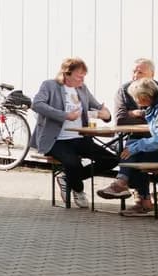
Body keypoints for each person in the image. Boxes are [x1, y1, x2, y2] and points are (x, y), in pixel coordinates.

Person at [29, 57, 116, 207]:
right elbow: (37, 105)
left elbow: (98, 107)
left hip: (79, 137)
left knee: (111, 159)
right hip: (56, 140)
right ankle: (78, 189)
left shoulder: (82, 88)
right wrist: (64, 115)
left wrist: (106, 115)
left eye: (84, 76)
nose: (82, 79)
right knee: (73, 163)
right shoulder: (50, 85)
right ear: (66, 74)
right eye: (79, 76)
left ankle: (68, 178)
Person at [97, 79, 158, 214]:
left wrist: (136, 146)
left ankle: (127, 188)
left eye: (136, 98)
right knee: (133, 148)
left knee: (133, 155)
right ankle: (134, 193)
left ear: (144, 97)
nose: (135, 101)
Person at [114, 58, 158, 124]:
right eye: (134, 72)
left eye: (140, 72)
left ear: (152, 74)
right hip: (130, 131)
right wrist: (149, 116)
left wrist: (134, 113)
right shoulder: (123, 90)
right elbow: (120, 120)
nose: (136, 76)